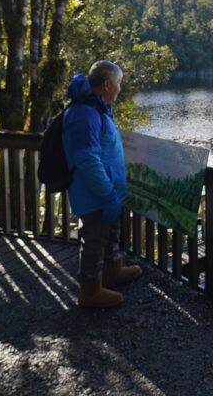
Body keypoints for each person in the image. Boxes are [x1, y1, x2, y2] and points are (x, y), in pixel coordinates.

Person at [62, 61, 142, 308]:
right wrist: (107, 194)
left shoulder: (98, 108)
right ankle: (90, 291)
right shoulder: (85, 114)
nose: (119, 88)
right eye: (118, 83)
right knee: (94, 239)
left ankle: (112, 272)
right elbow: (87, 160)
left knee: (109, 235)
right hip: (94, 193)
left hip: (107, 191)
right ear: (107, 84)